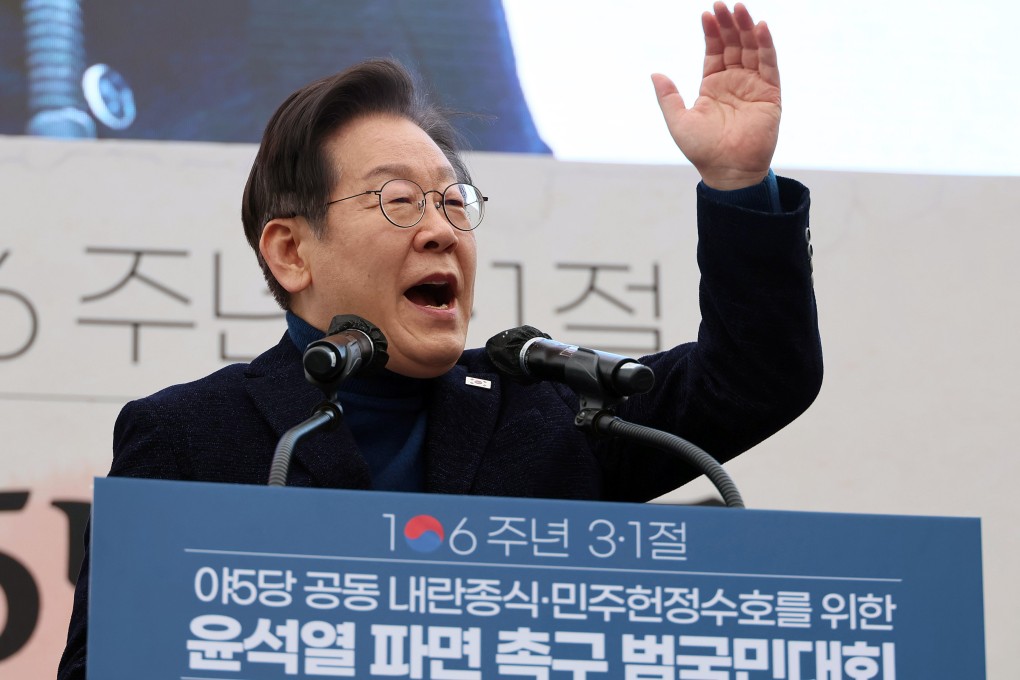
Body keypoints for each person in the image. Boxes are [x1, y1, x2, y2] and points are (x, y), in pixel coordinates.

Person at [57, 3, 822, 677]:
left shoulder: (548, 411)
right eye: (398, 201)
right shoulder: (189, 437)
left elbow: (755, 376)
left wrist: (738, 186)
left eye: (454, 202)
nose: (440, 231)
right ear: (290, 252)